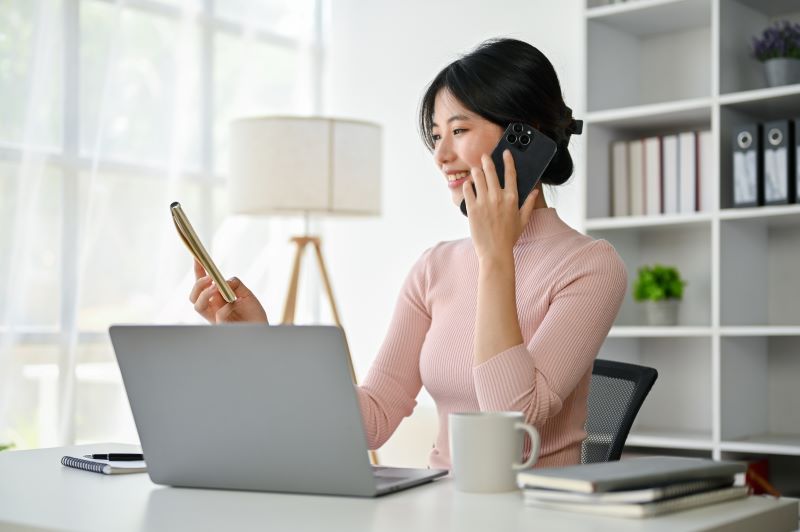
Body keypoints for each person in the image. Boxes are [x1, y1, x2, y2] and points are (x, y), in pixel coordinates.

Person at [190, 38, 627, 469]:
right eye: (437, 136)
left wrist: (495, 258)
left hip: (536, 513)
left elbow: (509, 429)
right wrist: (260, 345)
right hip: (441, 507)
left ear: (524, 137)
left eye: (458, 131)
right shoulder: (435, 267)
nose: (440, 155)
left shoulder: (590, 266)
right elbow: (372, 420)